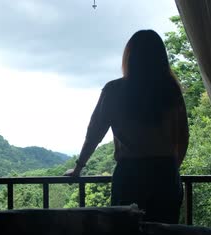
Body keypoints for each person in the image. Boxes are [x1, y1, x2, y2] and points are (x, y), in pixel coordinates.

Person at [64, 29, 189, 224]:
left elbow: (95, 131)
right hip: (165, 173)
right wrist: (171, 168)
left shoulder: (114, 90)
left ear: (129, 57)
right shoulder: (171, 92)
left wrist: (79, 167)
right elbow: (183, 136)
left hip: (131, 174)